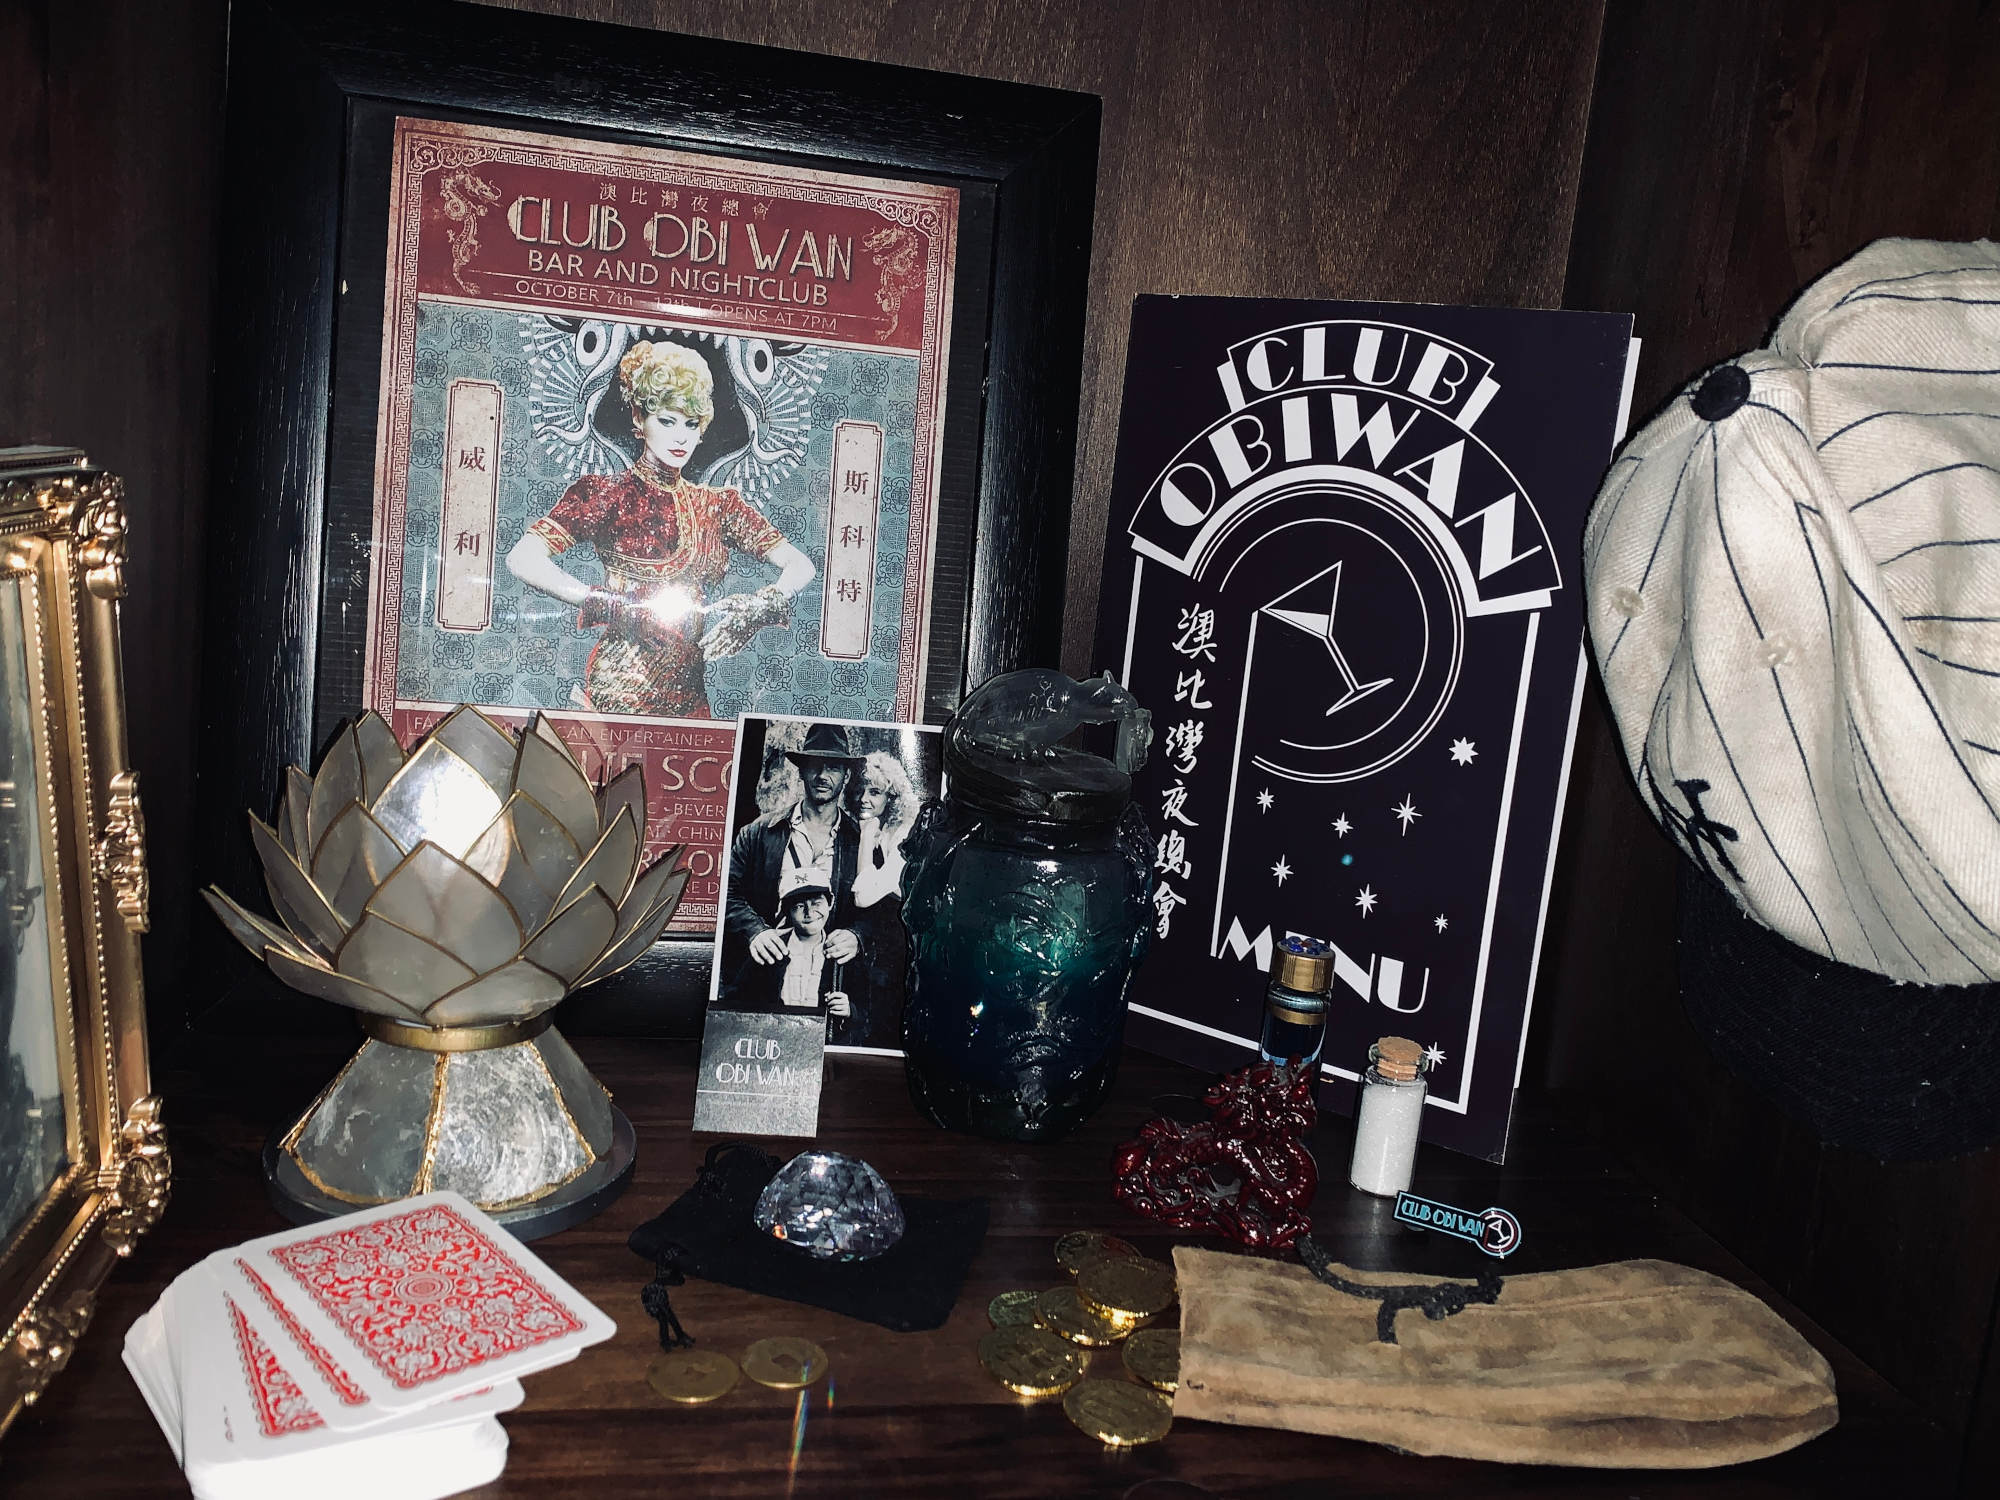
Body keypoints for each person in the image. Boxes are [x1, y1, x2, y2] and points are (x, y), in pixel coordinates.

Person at [505, 339, 817, 718]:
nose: (680, 436)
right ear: (640, 419)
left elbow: (801, 566)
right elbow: (522, 558)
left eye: (691, 423)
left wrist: (759, 607)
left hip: (690, 693)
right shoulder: (607, 494)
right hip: (619, 689)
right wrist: (609, 604)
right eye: (667, 421)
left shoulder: (717, 506)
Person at [722, 722, 864, 984]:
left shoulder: (861, 841)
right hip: (765, 975)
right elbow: (726, 892)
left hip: (829, 981)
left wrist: (858, 936)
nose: (822, 775)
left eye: (833, 767)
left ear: (846, 776)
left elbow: (884, 912)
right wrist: (755, 931)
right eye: (815, 765)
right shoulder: (759, 832)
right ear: (801, 771)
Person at [721, 863, 857, 1036]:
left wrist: (850, 1010)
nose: (809, 912)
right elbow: (737, 999)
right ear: (787, 911)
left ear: (830, 903)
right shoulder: (771, 947)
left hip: (820, 1041)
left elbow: (866, 1009)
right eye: (799, 906)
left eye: (817, 903)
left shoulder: (841, 949)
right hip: (776, 1038)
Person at [843, 749, 920, 1048]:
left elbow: (863, 897)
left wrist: (866, 837)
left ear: (892, 797)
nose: (864, 799)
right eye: (860, 791)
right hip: (885, 947)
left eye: (874, 792)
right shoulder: (883, 829)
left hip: (909, 948)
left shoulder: (905, 833)